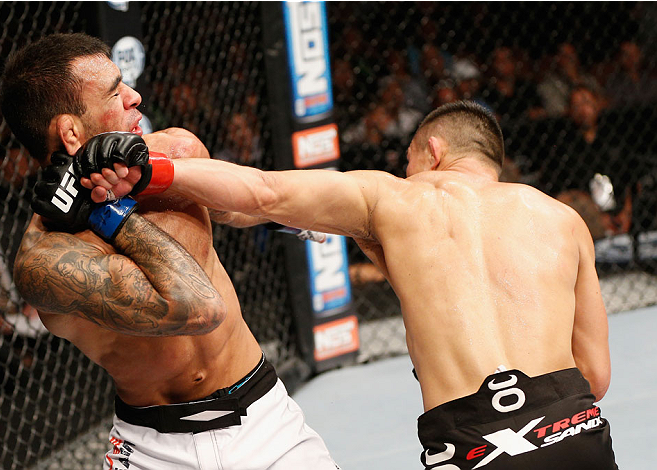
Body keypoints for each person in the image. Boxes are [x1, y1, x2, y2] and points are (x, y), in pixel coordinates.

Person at [83, 101, 618, 469]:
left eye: (409, 161)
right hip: (575, 428)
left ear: (431, 151)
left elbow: (260, 193)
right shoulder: (562, 220)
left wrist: (146, 171)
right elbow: (594, 373)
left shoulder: (395, 198)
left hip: (476, 442)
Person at [0, 32, 339, 470]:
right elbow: (199, 309)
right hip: (154, 452)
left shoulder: (172, 151)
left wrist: (305, 220)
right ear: (70, 131)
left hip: (264, 419)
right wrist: (109, 215)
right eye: (114, 92)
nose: (135, 96)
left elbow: (235, 205)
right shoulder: (46, 261)